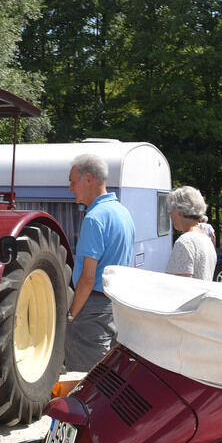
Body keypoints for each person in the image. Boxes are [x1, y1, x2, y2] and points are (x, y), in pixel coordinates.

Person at [65, 154, 135, 372]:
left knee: (85, 379)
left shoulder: (95, 218)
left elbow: (88, 277)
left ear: (88, 179)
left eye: (73, 182)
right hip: (116, 304)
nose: (70, 189)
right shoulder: (123, 213)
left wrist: (72, 314)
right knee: (109, 375)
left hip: (92, 307)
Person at [166, 187, 217, 281]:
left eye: (170, 211)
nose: (170, 216)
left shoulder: (185, 242)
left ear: (179, 212)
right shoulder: (205, 238)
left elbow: (182, 285)